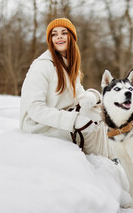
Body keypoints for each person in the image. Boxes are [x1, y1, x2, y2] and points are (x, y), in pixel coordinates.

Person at [20, 18, 111, 157]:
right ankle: (99, 162)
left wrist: (93, 96)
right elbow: (35, 110)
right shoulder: (41, 65)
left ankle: (107, 159)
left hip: (59, 119)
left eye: (64, 33)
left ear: (72, 38)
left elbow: (80, 95)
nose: (59, 37)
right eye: (54, 34)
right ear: (50, 40)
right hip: (40, 126)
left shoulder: (68, 65)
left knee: (97, 112)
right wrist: (73, 120)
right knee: (90, 120)